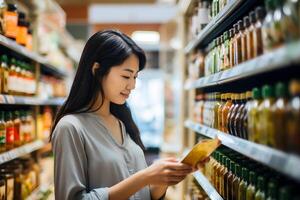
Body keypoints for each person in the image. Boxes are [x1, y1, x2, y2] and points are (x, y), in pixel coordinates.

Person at [50, 30, 208, 200]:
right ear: (97, 70)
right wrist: (145, 176)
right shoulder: (70, 128)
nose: (132, 85)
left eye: (135, 77)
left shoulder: (121, 122)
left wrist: (165, 178)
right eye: (126, 76)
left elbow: (142, 194)